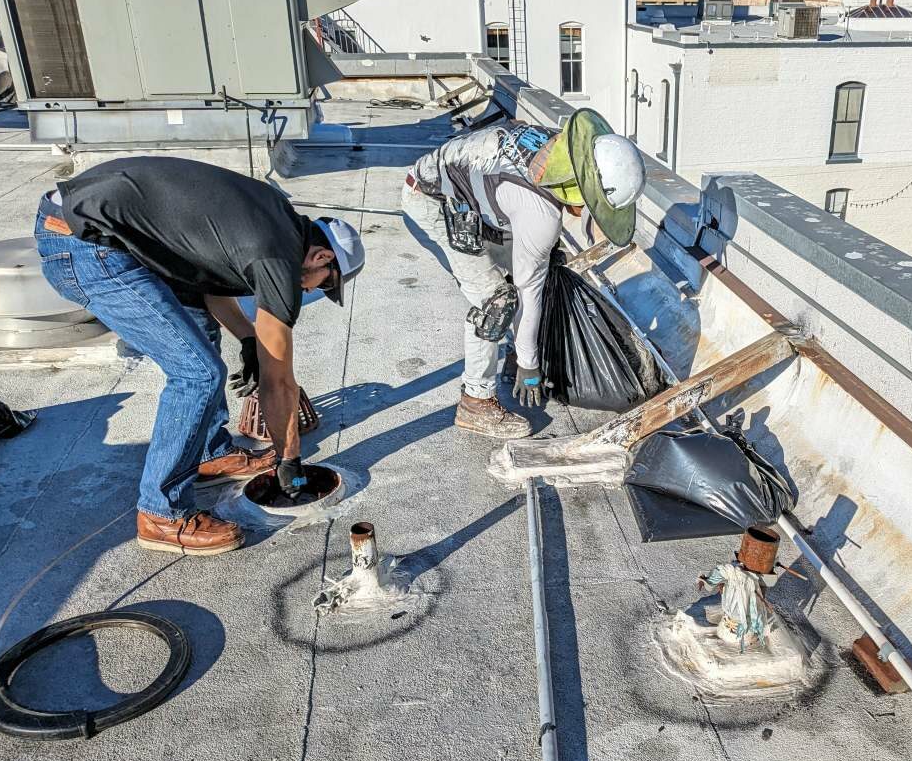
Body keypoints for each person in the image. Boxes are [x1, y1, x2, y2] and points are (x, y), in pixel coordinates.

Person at [34, 156, 365, 556]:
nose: (309, 291)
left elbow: (212, 276)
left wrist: (247, 337)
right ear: (322, 258)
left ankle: (208, 453)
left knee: (201, 333)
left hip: (106, 226)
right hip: (85, 245)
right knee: (197, 373)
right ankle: (162, 514)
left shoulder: (278, 218)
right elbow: (279, 383)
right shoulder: (278, 258)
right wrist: (289, 460)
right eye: (321, 285)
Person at [401, 108, 646, 438]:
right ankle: (476, 401)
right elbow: (527, 289)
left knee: (538, 266)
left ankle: (514, 356)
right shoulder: (540, 213)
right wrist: (530, 363)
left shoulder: (557, 145)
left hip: (473, 191)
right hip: (433, 198)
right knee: (496, 301)